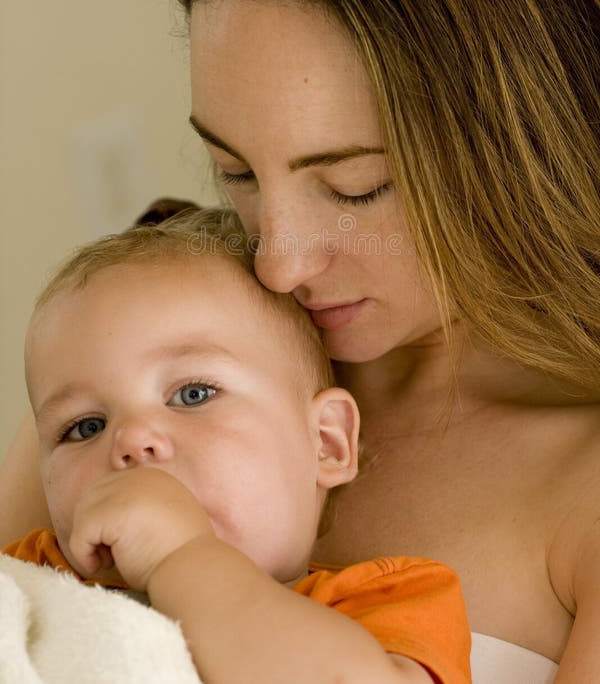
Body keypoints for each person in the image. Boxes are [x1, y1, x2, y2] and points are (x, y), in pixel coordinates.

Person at [1, 0, 599, 679]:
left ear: (517, 149)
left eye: (356, 188)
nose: (277, 262)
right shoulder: (150, 349)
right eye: (235, 171)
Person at [3, 209, 471, 684]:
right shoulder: (37, 573)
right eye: (84, 427)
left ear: (326, 442)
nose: (131, 440)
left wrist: (181, 556)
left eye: (193, 394)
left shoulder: (386, 600)